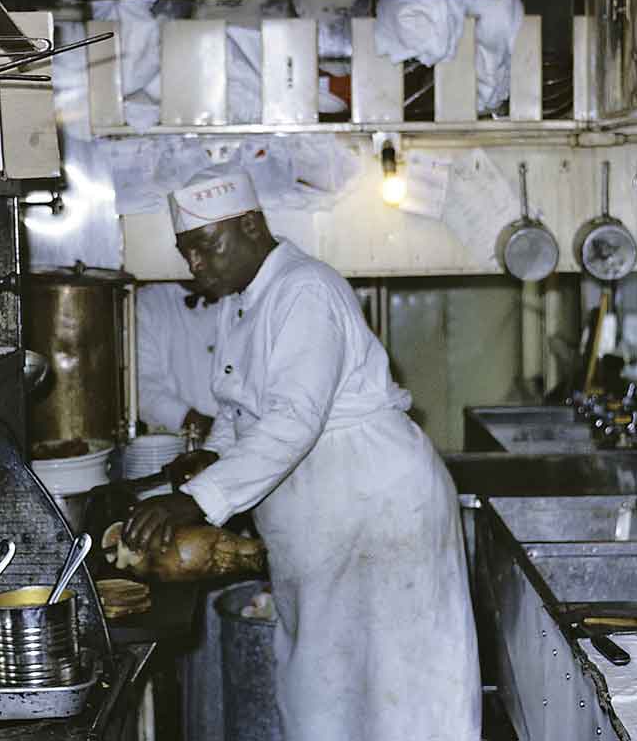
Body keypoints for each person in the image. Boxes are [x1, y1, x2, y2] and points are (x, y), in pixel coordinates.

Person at [124, 168, 481, 740]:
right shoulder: (240, 301)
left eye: (206, 247)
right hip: (326, 520)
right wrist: (207, 461)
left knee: (404, 691)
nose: (196, 267)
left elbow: (293, 420)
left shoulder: (304, 290)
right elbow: (241, 412)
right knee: (322, 690)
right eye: (186, 252)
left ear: (250, 224)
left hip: (377, 507)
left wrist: (195, 503)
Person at [135, 281, 219, 437]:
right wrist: (192, 421)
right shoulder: (147, 302)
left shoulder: (240, 297)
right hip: (174, 444)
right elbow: (140, 386)